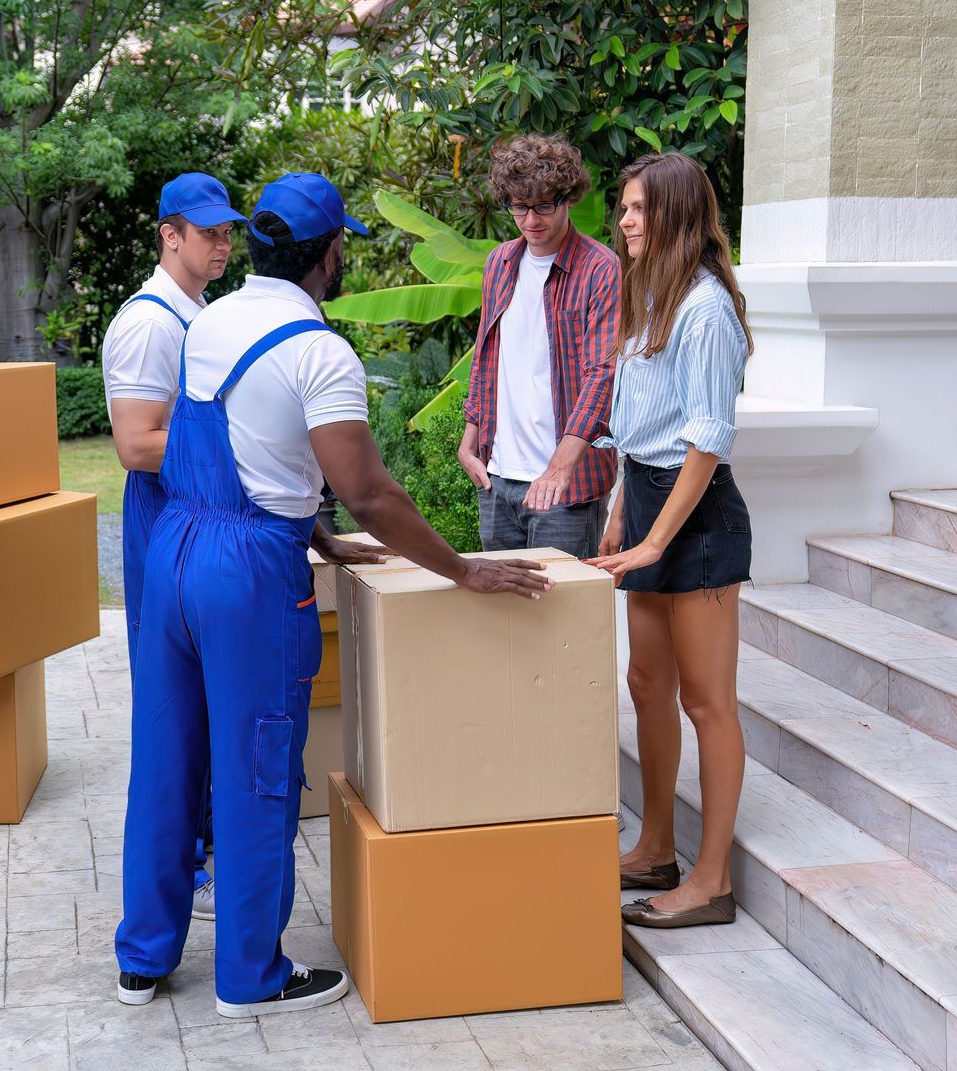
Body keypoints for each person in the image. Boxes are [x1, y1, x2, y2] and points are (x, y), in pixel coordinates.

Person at [114, 172, 554, 1016]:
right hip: (246, 576)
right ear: (328, 256)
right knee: (254, 772)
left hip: (174, 550)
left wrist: (310, 529)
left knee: (168, 760)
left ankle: (143, 959)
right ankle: (250, 977)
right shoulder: (320, 353)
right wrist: (464, 570)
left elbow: (239, 449)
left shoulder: (208, 322)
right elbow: (371, 491)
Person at [586, 152, 754, 929]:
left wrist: (656, 540)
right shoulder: (652, 296)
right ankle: (655, 847)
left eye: (639, 210)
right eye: (623, 208)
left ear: (678, 215)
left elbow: (707, 438)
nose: (624, 222)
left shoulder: (704, 311)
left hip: (699, 518)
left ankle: (712, 881)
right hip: (648, 497)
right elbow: (639, 426)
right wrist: (623, 507)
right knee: (647, 684)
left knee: (707, 701)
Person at [101, 172, 242, 921]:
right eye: (206, 231)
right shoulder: (151, 323)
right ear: (169, 234)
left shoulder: (203, 311)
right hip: (165, 514)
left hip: (198, 509)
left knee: (208, 697)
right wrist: (241, 455)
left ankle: (207, 847)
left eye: (227, 231)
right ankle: (183, 864)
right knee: (173, 703)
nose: (221, 243)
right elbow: (134, 444)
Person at [458, 134, 621, 558]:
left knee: (562, 620)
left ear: (567, 198)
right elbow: (486, 355)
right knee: (505, 618)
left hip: (565, 486)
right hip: (498, 478)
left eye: (544, 205)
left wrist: (560, 467)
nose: (531, 219)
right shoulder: (500, 263)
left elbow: (602, 373)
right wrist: (470, 435)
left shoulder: (600, 268)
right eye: (519, 206)